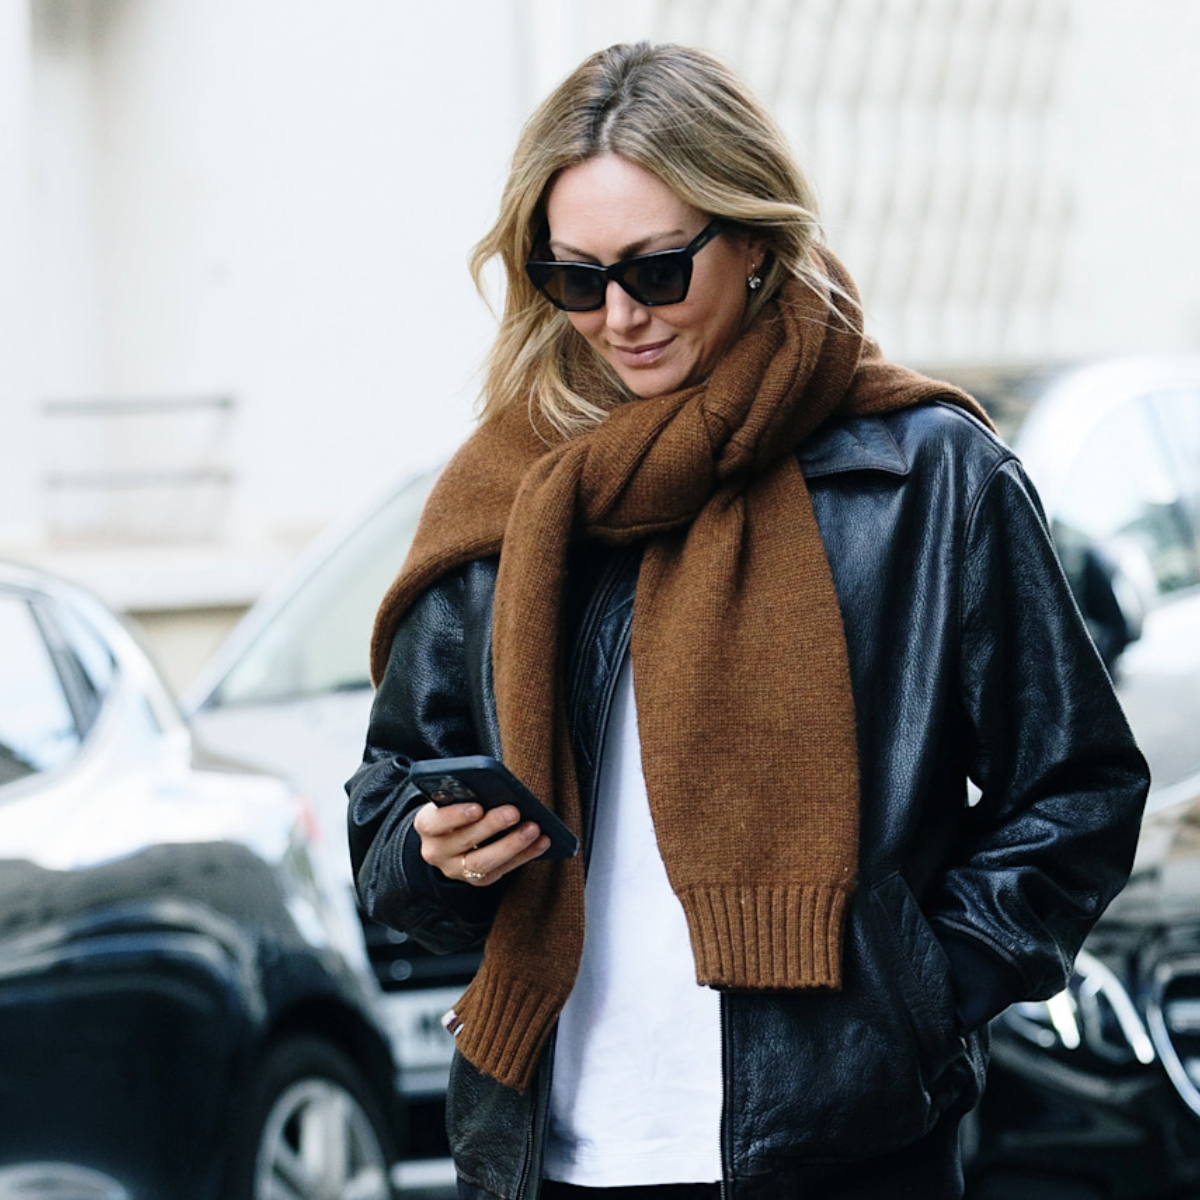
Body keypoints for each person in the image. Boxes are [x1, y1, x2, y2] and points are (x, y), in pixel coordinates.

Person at [347, 41, 1148, 1200]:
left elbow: (1076, 790)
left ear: (757, 238)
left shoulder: (925, 480)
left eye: (657, 270)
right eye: (574, 279)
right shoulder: (514, 496)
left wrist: (924, 993)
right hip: (546, 1152)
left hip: (844, 1151)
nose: (617, 316)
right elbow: (387, 809)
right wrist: (432, 857)